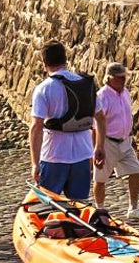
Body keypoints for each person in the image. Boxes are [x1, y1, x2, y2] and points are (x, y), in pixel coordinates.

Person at [28, 41, 98, 203]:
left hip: (54, 155)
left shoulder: (44, 88)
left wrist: (35, 163)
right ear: (65, 58)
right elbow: (100, 117)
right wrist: (98, 146)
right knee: (79, 205)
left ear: (44, 62)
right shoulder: (84, 83)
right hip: (83, 152)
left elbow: (36, 127)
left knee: (48, 205)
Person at [93, 62, 139, 213]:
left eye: (124, 77)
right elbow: (96, 124)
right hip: (107, 142)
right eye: (120, 78)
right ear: (109, 78)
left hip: (124, 141)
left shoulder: (125, 92)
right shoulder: (102, 96)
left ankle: (133, 208)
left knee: (136, 170)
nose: (123, 80)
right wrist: (97, 147)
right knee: (100, 178)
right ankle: (100, 209)